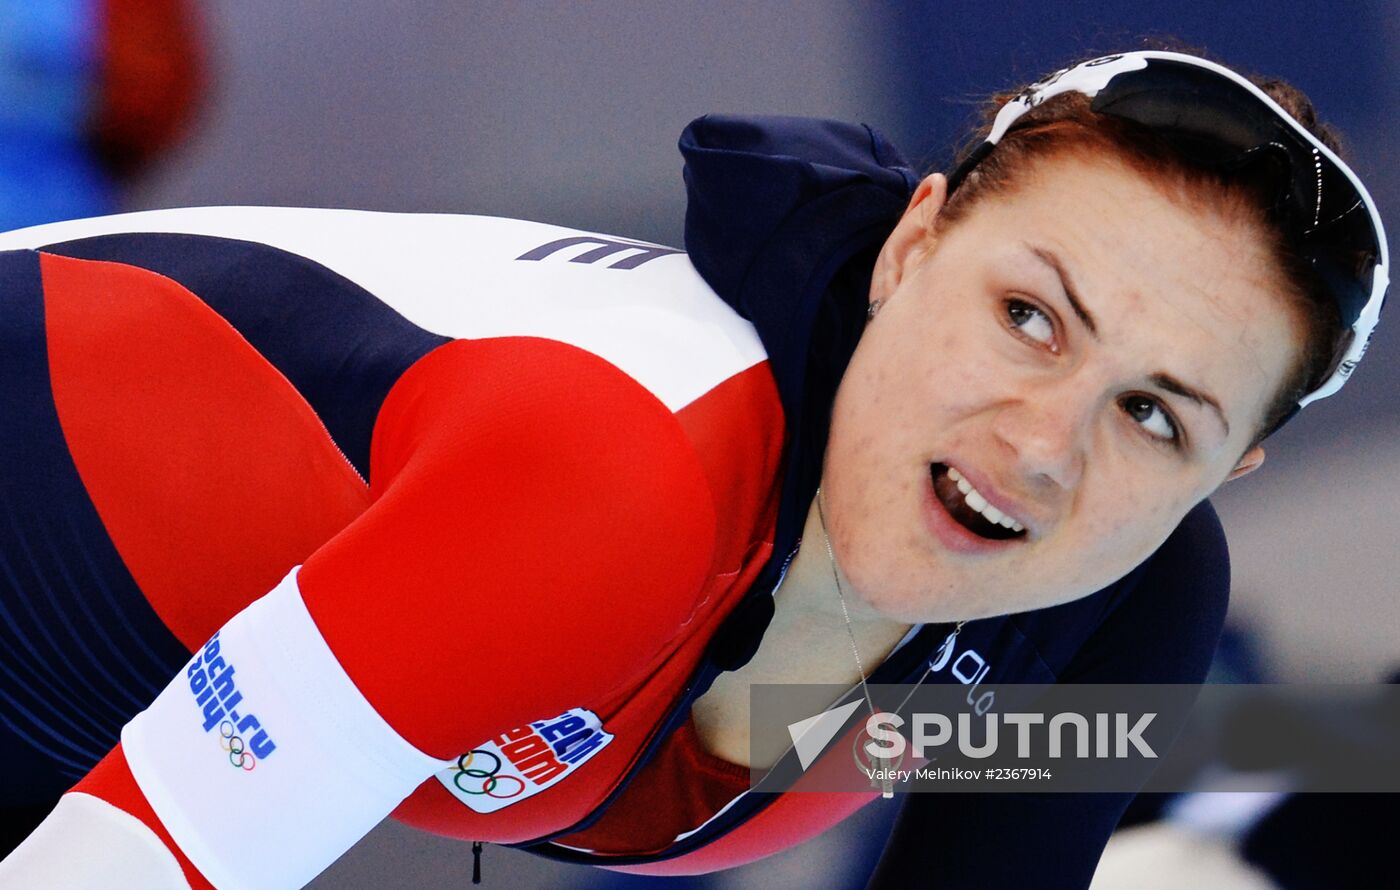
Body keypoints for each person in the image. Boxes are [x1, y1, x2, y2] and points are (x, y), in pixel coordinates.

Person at [0, 50, 1387, 889]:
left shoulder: (1118, 606)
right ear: (912, 246)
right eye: (1028, 315)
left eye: (1157, 415)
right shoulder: (618, 476)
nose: (1042, 444)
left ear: (1233, 468)